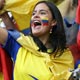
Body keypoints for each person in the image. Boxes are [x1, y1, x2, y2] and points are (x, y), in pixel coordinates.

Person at [0, 0, 74, 80]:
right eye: (33, 13)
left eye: (42, 13)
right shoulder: (19, 45)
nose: (35, 16)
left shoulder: (65, 56)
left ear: (53, 22)